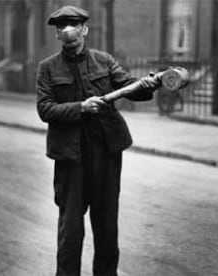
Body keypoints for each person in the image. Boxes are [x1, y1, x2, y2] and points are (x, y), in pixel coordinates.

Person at [36, 6, 161, 276]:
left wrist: (151, 83)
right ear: (58, 34)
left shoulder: (104, 61)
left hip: (105, 153)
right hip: (71, 157)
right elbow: (45, 109)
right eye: (62, 27)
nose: (68, 31)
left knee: (106, 229)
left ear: (85, 30)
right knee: (71, 233)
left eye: (73, 25)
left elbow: (128, 84)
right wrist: (81, 107)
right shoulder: (47, 68)